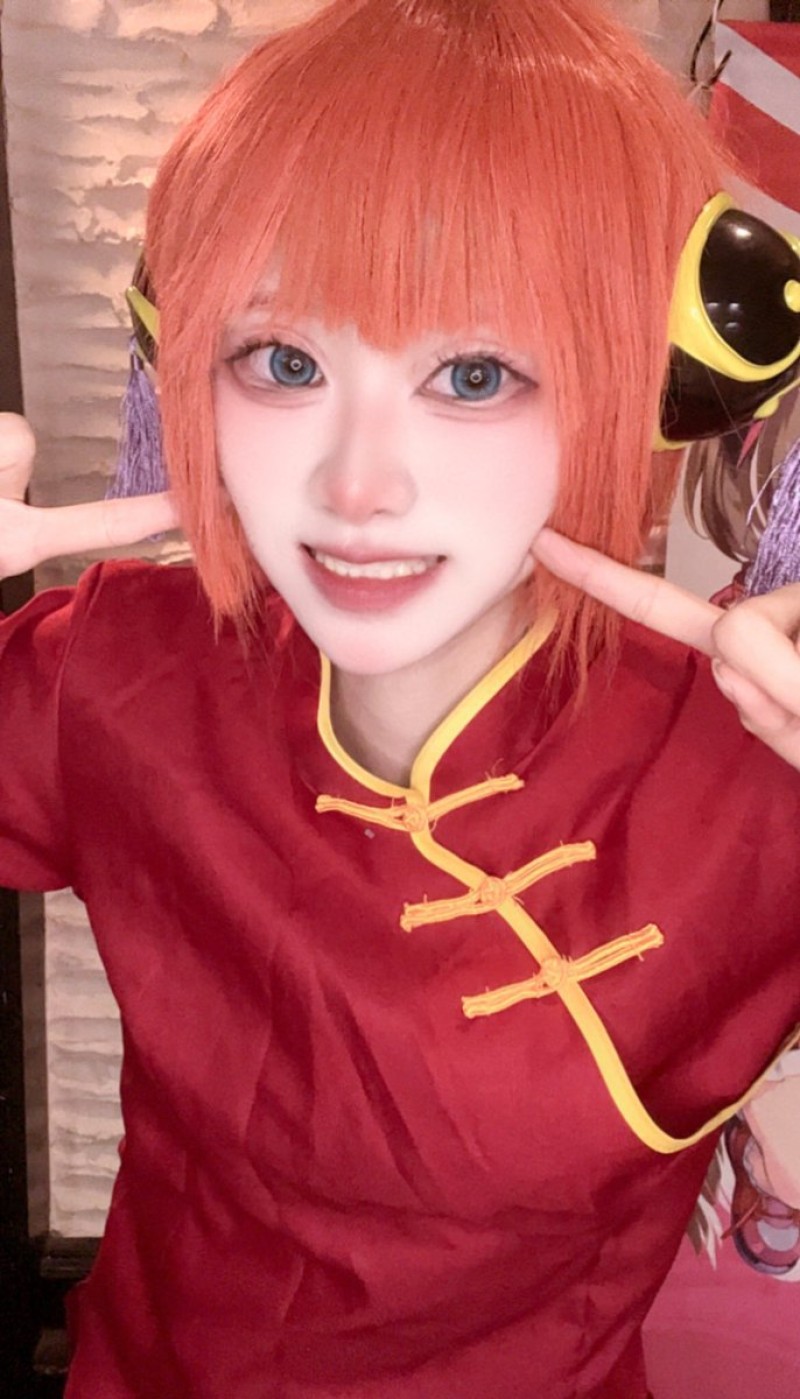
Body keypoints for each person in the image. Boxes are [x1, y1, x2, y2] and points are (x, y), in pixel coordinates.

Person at [1, 1, 800, 1394]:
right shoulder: (121, 669)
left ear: (654, 377)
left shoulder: (748, 777)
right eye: (285, 363)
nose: (356, 485)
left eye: (474, 376)